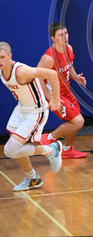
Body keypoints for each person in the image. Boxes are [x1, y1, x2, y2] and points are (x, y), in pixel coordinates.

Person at [0, 42, 62, 191]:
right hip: (22, 109)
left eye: (2, 57)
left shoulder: (21, 72)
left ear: (10, 57)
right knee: (16, 148)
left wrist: (55, 100)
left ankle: (51, 149)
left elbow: (52, 74)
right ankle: (32, 178)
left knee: (10, 150)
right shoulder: (2, 69)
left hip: (35, 112)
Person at [37, 22, 87, 159]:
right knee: (78, 121)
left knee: (74, 122)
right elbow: (38, 78)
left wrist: (77, 78)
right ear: (53, 38)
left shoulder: (68, 48)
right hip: (55, 94)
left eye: (66, 33)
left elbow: (69, 66)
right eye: (60, 35)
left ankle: (67, 150)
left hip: (67, 91)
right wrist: (51, 98)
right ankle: (47, 138)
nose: (65, 37)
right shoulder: (48, 58)